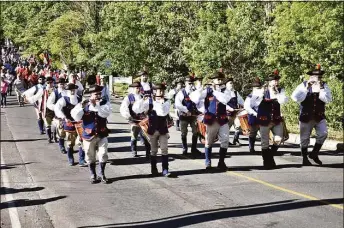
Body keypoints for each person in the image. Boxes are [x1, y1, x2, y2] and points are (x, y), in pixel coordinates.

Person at [190, 70, 231, 170]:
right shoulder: (207, 91)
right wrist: (200, 89)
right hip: (211, 119)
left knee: (225, 141)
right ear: (213, 81)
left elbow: (225, 100)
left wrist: (215, 91)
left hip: (222, 119)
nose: (219, 81)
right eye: (217, 79)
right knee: (209, 141)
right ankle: (208, 161)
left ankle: (221, 162)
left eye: (221, 79)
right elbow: (194, 98)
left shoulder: (226, 90)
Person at [291, 64, 332, 166]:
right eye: (315, 77)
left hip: (319, 115)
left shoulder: (324, 86)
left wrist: (321, 89)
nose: (317, 79)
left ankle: (314, 153)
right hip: (306, 115)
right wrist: (306, 88)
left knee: (323, 133)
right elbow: (295, 98)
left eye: (319, 77)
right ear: (310, 77)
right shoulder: (303, 85)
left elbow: (328, 99)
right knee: (304, 138)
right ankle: (305, 158)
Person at [71, 84, 112, 183]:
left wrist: (95, 105)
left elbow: (104, 114)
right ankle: (93, 174)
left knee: (103, 154)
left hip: (102, 133)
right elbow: (76, 116)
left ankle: (102, 173)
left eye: (99, 94)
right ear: (90, 95)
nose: (97, 96)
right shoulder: (84, 104)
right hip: (89, 135)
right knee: (90, 156)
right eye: (95, 94)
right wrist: (81, 107)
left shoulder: (105, 103)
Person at [250, 70, 288, 169]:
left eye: (277, 80)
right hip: (264, 119)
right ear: (269, 82)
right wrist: (261, 95)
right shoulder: (261, 90)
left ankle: (269, 157)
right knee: (265, 142)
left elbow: (283, 101)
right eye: (274, 81)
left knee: (279, 139)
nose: (276, 82)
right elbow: (253, 103)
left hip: (276, 119)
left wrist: (277, 94)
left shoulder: (280, 90)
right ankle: (266, 162)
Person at [132, 83, 172, 177]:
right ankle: (153, 168)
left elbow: (163, 112)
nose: (161, 92)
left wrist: (159, 102)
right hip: (152, 129)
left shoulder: (166, 101)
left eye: (162, 90)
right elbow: (136, 109)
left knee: (164, 149)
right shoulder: (149, 101)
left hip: (163, 129)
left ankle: (165, 169)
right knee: (153, 150)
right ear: (154, 91)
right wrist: (142, 100)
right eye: (159, 90)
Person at [54, 83, 85, 166]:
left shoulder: (80, 99)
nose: (72, 91)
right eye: (70, 90)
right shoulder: (64, 99)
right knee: (70, 142)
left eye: (73, 90)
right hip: (69, 123)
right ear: (67, 91)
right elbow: (57, 109)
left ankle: (82, 159)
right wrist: (63, 117)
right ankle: (70, 158)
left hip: (80, 123)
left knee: (81, 141)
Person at [120, 81, 151, 158]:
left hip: (143, 120)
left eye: (139, 88)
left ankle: (148, 152)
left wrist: (147, 112)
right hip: (134, 120)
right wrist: (128, 116)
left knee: (146, 135)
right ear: (133, 89)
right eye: (137, 88)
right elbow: (124, 108)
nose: (138, 89)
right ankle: (134, 151)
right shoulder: (128, 97)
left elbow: (147, 106)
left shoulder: (142, 96)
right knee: (134, 135)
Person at [175, 76, 202, 156]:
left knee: (196, 132)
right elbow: (178, 104)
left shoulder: (195, 92)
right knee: (184, 133)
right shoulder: (181, 93)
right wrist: (186, 111)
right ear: (185, 83)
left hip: (193, 116)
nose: (191, 85)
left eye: (192, 83)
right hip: (184, 116)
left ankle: (193, 149)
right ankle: (184, 148)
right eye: (189, 83)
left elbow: (199, 102)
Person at [224, 77, 245, 146]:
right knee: (227, 128)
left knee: (238, 126)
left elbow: (241, 101)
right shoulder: (224, 92)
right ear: (226, 84)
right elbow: (223, 103)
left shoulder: (235, 92)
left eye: (232, 83)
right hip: (227, 113)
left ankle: (235, 139)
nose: (232, 84)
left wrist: (245, 107)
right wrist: (229, 108)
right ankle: (226, 141)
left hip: (236, 112)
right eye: (230, 83)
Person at [244, 78, 262, 153]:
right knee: (253, 132)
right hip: (254, 116)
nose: (258, 89)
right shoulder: (250, 97)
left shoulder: (263, 95)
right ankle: (251, 147)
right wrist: (255, 113)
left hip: (264, 116)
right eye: (256, 88)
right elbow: (247, 107)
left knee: (264, 132)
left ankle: (265, 148)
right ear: (253, 88)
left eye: (259, 88)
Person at [47, 77, 67, 145]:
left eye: (63, 84)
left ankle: (70, 146)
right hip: (58, 114)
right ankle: (62, 146)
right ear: (57, 84)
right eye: (60, 84)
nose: (62, 85)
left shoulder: (67, 92)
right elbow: (49, 104)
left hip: (67, 113)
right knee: (61, 131)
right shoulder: (54, 93)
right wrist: (56, 108)